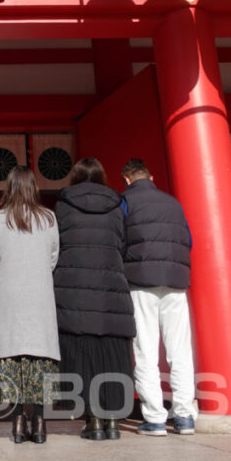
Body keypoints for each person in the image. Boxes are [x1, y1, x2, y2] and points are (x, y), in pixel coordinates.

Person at [53, 158, 135, 441]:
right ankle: (113, 419)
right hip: (111, 288)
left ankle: (93, 420)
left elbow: (57, 245)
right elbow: (122, 244)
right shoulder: (117, 206)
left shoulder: (64, 204)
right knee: (112, 355)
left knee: (82, 355)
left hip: (73, 289)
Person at [121, 158, 197, 436]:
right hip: (176, 282)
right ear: (151, 177)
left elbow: (120, 238)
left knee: (145, 351)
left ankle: (154, 417)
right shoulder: (174, 203)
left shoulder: (124, 202)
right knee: (180, 351)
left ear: (126, 179)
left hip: (140, 281)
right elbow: (188, 239)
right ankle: (185, 415)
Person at [0, 166, 60, 445]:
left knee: (12, 355)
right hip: (40, 295)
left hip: (8, 297)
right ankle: (39, 421)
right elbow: (53, 258)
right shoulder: (49, 218)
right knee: (39, 356)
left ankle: (17, 420)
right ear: (33, 187)